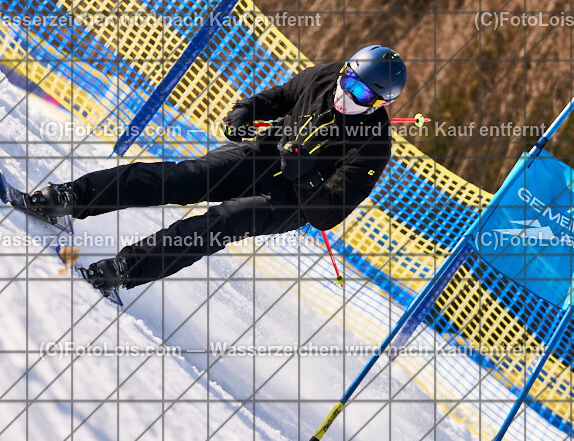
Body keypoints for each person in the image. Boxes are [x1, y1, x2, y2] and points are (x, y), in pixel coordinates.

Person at [22, 45, 407, 296]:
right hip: (263, 154)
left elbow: (330, 213)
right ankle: (72, 197)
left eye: (358, 93)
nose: (345, 93)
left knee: (221, 221)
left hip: (293, 200)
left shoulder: (373, 146)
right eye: (347, 79)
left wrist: (306, 176)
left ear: (376, 103)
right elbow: (283, 96)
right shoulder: (325, 75)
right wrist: (247, 110)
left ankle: (125, 267)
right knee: (180, 178)